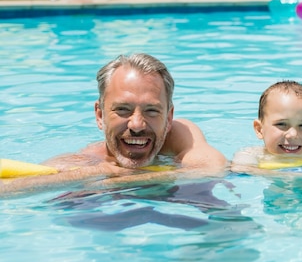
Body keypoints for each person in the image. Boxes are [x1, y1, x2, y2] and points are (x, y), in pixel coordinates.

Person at [2, 53, 227, 195]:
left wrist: (116, 177)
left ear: (168, 118)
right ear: (100, 115)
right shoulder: (85, 162)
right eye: (122, 109)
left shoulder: (180, 135)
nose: (137, 124)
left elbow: (213, 169)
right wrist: (89, 174)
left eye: (151, 110)